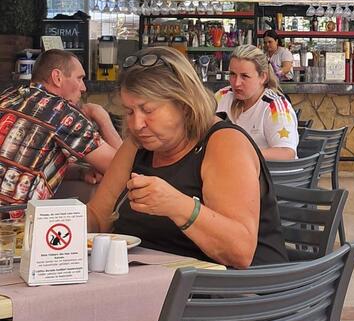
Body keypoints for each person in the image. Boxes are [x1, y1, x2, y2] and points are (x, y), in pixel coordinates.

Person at [87, 47, 288, 266]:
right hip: (156, 279)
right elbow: (98, 217)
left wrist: (176, 205)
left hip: (235, 284)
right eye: (129, 112)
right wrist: (62, 222)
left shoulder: (224, 142)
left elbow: (239, 251)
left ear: (184, 105)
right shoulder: (137, 145)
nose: (137, 124)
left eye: (148, 110)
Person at [0, 50, 121, 215]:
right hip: (11, 224)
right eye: (79, 78)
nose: (84, 88)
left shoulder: (8, 98)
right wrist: (101, 117)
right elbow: (121, 169)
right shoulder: (62, 112)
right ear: (57, 77)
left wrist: (80, 172)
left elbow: (29, 161)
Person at [216, 46, 298, 161]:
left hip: (272, 171)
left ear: (263, 77)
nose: (236, 83)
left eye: (245, 76)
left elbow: (287, 153)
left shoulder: (274, 107)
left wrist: (241, 153)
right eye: (232, 74)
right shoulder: (222, 96)